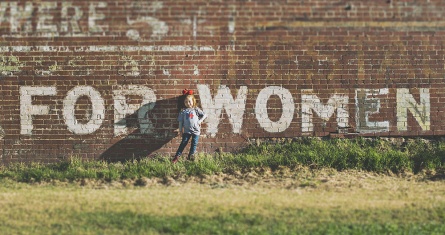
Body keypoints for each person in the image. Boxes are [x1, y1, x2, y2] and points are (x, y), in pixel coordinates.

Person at [172, 90, 207, 163]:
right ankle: (176, 157)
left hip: (196, 130)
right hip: (187, 131)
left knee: (194, 144)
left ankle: (191, 157)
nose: (187, 103)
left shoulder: (196, 109)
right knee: (183, 143)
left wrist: (200, 121)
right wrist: (180, 130)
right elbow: (181, 121)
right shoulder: (183, 111)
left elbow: (204, 115)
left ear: (193, 101)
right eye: (186, 102)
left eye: (189, 101)